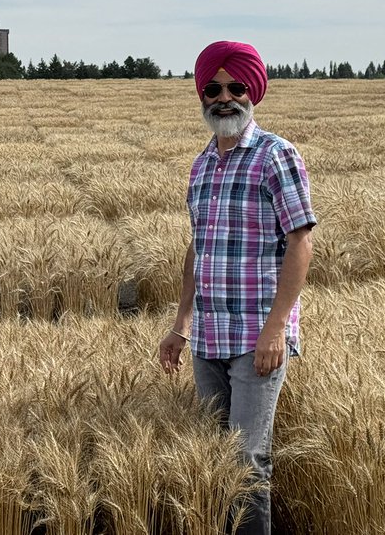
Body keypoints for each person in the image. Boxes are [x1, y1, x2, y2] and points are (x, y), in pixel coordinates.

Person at [158, 41, 316, 535]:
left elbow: (300, 242)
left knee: (248, 460)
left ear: (254, 93)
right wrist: (180, 327)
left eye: (235, 87)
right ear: (201, 96)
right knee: (215, 459)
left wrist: (275, 330)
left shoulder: (276, 155)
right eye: (212, 89)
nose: (223, 98)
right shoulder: (202, 165)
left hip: (255, 339)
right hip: (208, 339)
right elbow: (197, 249)